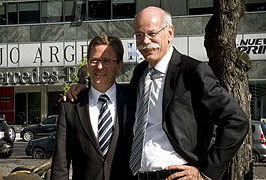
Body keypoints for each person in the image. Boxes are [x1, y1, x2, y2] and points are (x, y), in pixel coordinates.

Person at [65, 6, 249, 180]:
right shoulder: (140, 73)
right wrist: (84, 90)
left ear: (169, 33)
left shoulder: (193, 71)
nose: (145, 41)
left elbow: (236, 121)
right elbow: (116, 97)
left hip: (175, 174)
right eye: (139, 35)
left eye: (152, 34)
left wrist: (207, 173)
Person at [50, 35, 133, 180]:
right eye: (94, 60)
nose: (99, 66)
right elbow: (60, 164)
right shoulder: (70, 105)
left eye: (106, 61)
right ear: (88, 64)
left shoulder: (133, 100)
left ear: (119, 65)